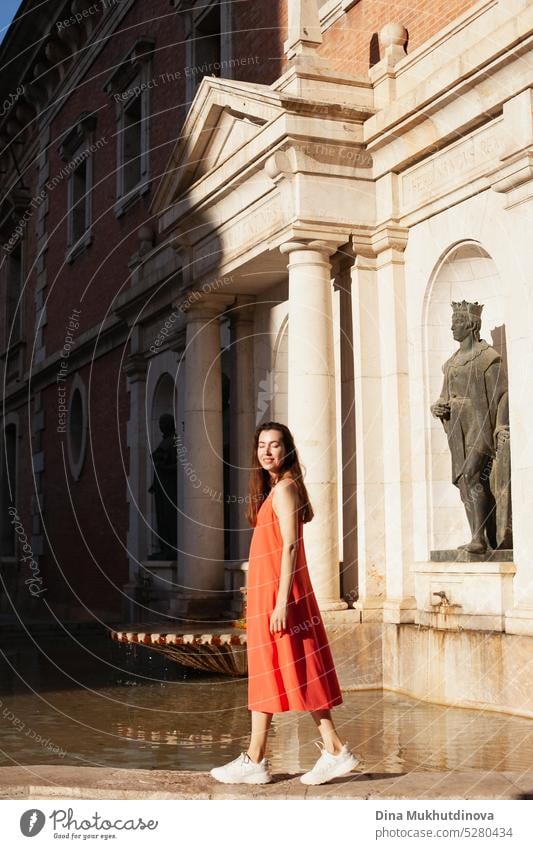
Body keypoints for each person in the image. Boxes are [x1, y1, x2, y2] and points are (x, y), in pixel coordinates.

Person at [210, 421, 363, 785]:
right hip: (271, 596)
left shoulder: (284, 490)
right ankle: (260, 757)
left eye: (274, 445)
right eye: (261, 445)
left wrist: (280, 603)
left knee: (300, 667)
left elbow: (291, 546)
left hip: (284, 598)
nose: (266, 451)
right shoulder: (275, 489)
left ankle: (334, 750)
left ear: (287, 450)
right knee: (270, 671)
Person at [431, 301, 511, 554]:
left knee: (472, 474)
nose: (452, 327)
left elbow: (503, 395)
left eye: (456, 322)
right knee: (464, 482)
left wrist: (501, 426)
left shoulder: (488, 358)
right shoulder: (451, 364)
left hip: (479, 421)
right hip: (456, 425)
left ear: (470, 325)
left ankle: (480, 538)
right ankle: (478, 537)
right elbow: (444, 396)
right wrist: (438, 407)